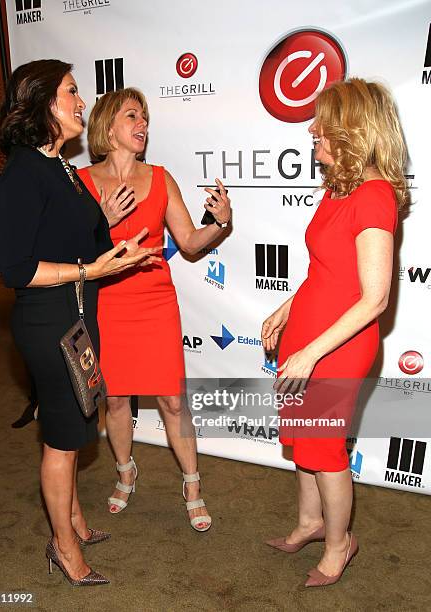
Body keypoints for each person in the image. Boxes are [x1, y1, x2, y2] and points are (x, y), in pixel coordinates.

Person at [0, 60, 161, 586]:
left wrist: (114, 242)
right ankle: (64, 549)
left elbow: (79, 243)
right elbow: (17, 268)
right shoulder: (24, 170)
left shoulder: (64, 168)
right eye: (71, 91)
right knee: (64, 439)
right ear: (45, 102)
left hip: (78, 316)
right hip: (48, 321)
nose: (82, 102)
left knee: (75, 422)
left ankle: (75, 521)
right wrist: (93, 268)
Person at [261, 78, 408, 587]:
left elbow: (375, 297)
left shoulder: (374, 197)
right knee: (302, 439)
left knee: (324, 450)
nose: (311, 128)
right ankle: (309, 522)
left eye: (321, 121)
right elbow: (324, 270)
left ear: (350, 129)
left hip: (337, 347)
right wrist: (287, 308)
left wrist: (309, 355)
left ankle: (340, 544)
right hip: (307, 333)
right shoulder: (338, 188)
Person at [77, 87, 231, 531]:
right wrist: (100, 224)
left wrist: (219, 223)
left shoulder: (161, 178)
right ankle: (126, 472)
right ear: (108, 128)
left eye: (145, 118)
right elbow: (71, 253)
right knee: (117, 397)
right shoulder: (82, 183)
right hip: (107, 300)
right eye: (132, 117)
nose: (142, 124)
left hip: (154, 300)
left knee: (171, 398)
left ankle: (192, 485)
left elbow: (188, 243)